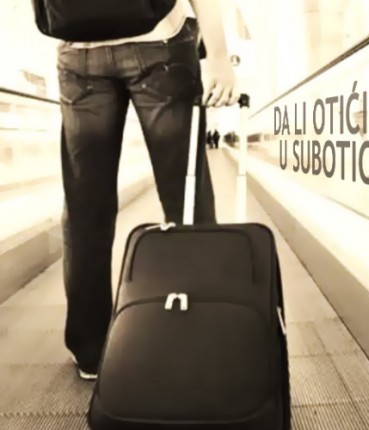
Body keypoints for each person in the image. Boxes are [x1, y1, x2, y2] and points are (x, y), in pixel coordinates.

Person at [56, 0, 239, 380]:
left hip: (79, 52)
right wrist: (219, 56)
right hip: (160, 45)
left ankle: (90, 349)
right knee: (186, 200)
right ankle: (202, 334)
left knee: (85, 209)